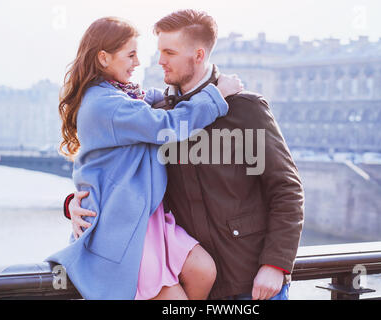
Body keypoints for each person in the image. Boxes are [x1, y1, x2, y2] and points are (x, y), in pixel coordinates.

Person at [65, 9, 305, 300]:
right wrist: (76, 204)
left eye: (169, 52)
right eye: (158, 52)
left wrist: (276, 263)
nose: (158, 61)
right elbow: (120, 170)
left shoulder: (244, 109)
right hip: (193, 282)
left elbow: (287, 189)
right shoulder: (157, 115)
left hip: (251, 283)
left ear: (198, 55)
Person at [45, 16, 244, 300]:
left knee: (204, 270)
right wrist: (216, 94)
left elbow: (155, 99)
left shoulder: (120, 94)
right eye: (131, 54)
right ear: (103, 58)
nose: (138, 62)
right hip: (124, 229)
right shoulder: (106, 105)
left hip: (146, 215)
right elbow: (169, 126)